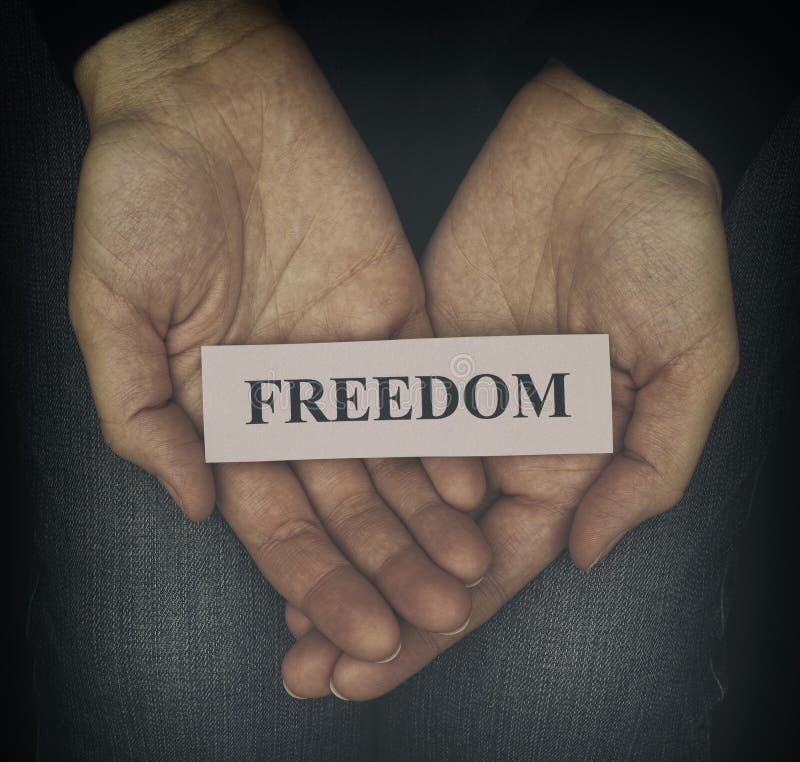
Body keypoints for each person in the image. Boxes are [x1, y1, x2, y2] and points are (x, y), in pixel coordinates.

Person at [6, 0, 796, 758]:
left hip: (685, 48)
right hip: (162, 52)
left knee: (563, 708)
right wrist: (166, 44)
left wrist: (669, 94)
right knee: (183, 683)